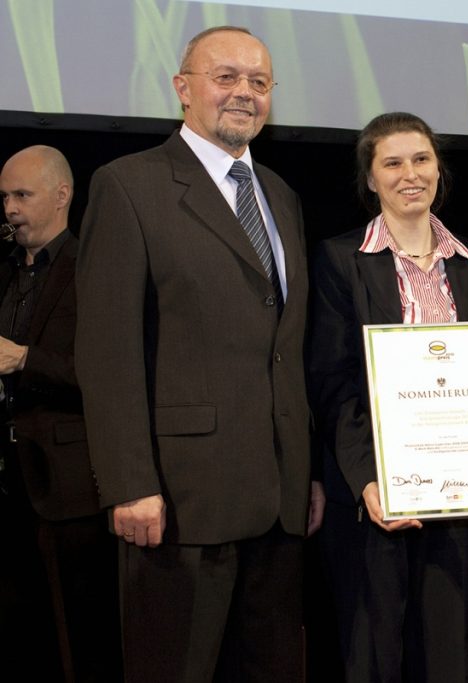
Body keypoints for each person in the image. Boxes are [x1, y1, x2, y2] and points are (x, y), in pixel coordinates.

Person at [75, 26, 323, 683]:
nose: (245, 92)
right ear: (183, 88)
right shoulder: (127, 186)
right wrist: (130, 482)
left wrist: (308, 467)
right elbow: (107, 349)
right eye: (227, 77)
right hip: (180, 503)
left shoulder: (282, 196)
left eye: (260, 82)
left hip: (279, 501)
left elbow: (285, 348)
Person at [307, 111, 468, 683]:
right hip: (373, 498)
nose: (410, 174)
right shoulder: (341, 259)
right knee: (374, 652)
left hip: (460, 497)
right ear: (370, 178)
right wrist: (369, 480)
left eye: (422, 160)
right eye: (392, 162)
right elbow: (333, 380)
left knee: (447, 654)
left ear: (438, 169)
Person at [0, 145, 121, 682]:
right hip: (9, 484)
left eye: (21, 195)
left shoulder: (93, 267)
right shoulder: (5, 271)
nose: (9, 208)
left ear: (62, 195)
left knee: (81, 632)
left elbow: (111, 373)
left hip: (68, 487)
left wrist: (26, 359)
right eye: (4, 196)